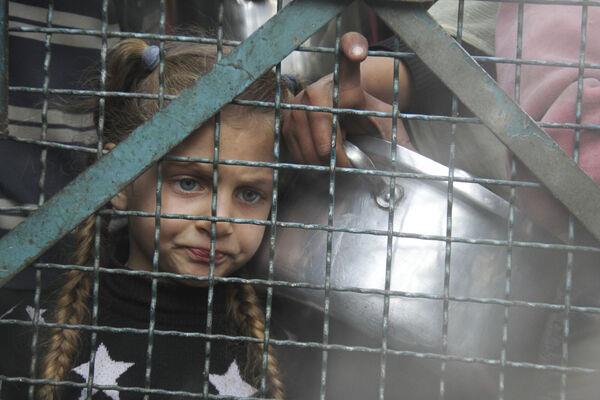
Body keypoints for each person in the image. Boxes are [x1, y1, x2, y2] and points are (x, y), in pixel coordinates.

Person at [0, 38, 291, 399]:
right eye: (189, 183)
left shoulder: (280, 345)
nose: (219, 222)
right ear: (119, 181)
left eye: (250, 194)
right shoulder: (31, 328)